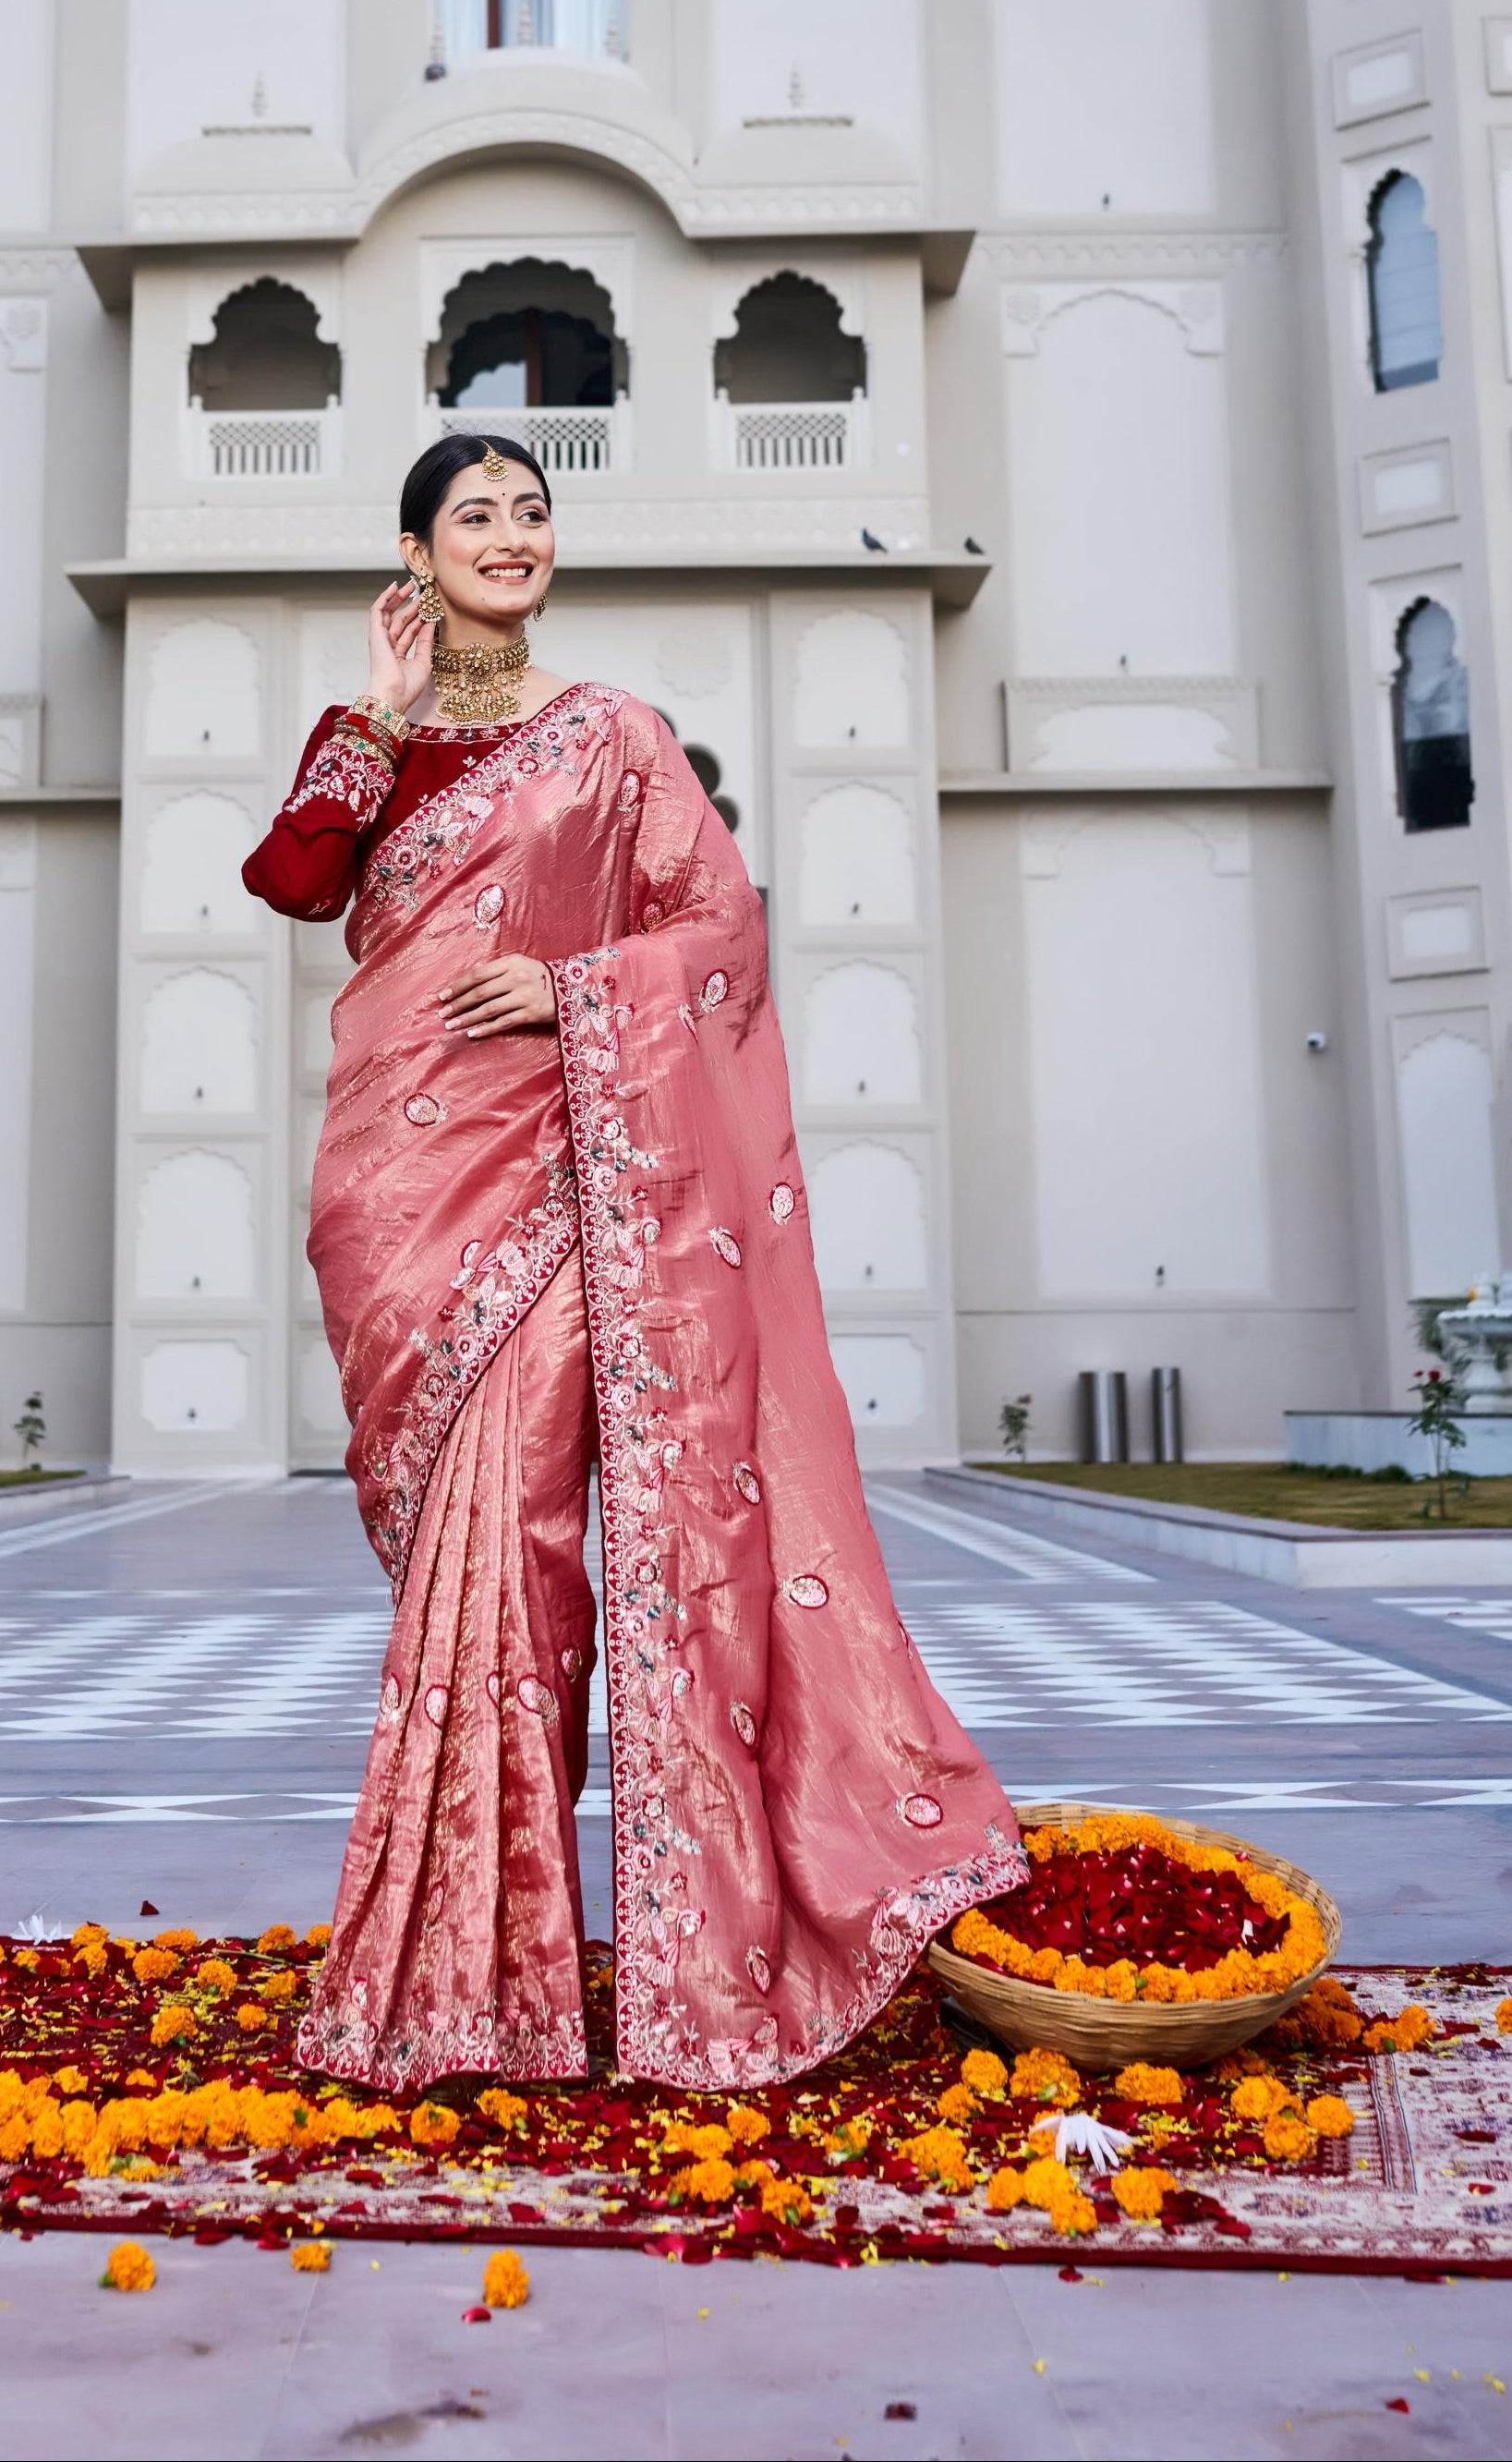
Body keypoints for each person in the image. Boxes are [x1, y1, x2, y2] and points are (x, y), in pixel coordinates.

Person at [243, 431, 1023, 2096]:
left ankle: (509, 1974)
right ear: (417, 549)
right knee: (464, 1558)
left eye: (533, 512)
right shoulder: (366, 744)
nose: (514, 536)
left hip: (557, 1179)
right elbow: (298, 882)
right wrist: (374, 710)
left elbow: (721, 933)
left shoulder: (614, 740)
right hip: (396, 1192)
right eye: (478, 515)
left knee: (520, 1550)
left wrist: (573, 987)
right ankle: (461, 1966)